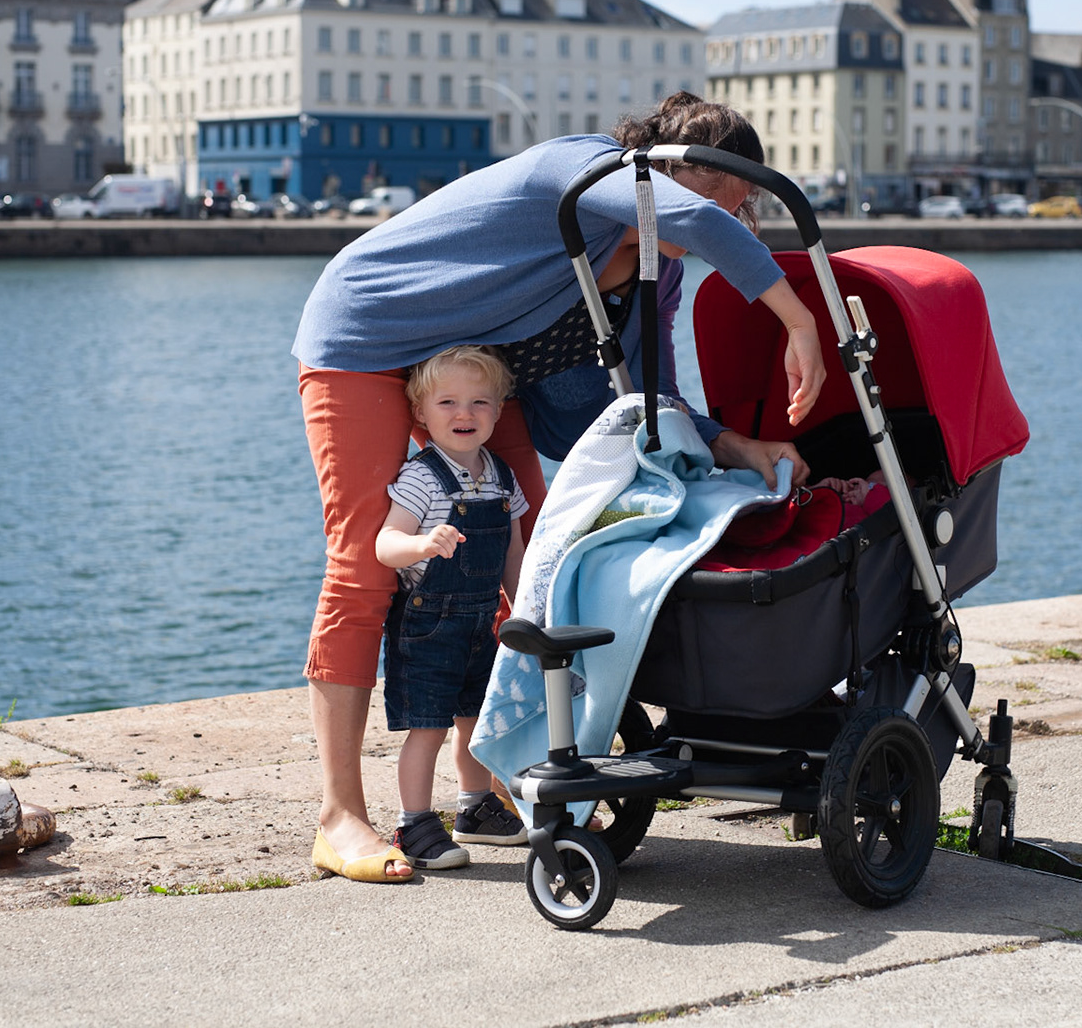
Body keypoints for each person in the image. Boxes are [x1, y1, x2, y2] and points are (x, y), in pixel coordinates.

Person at [293, 92, 826, 883]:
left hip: (472, 364)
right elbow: (688, 216)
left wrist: (733, 446)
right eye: (728, 196)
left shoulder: (655, 274)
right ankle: (340, 817)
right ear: (669, 173)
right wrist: (800, 322)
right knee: (365, 565)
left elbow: (644, 401)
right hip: (369, 332)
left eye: (746, 205)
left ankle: (489, 782)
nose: (734, 217)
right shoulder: (579, 169)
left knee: (533, 549)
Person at [371, 347, 528, 872]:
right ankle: (414, 822)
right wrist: (422, 544)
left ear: (498, 410)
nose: (465, 413)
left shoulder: (501, 475)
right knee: (430, 726)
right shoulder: (422, 478)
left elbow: (511, 552)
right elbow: (386, 544)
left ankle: (475, 807)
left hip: (482, 622)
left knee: (477, 721)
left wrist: (523, 606)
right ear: (421, 413)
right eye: (448, 402)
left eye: (480, 402)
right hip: (428, 625)